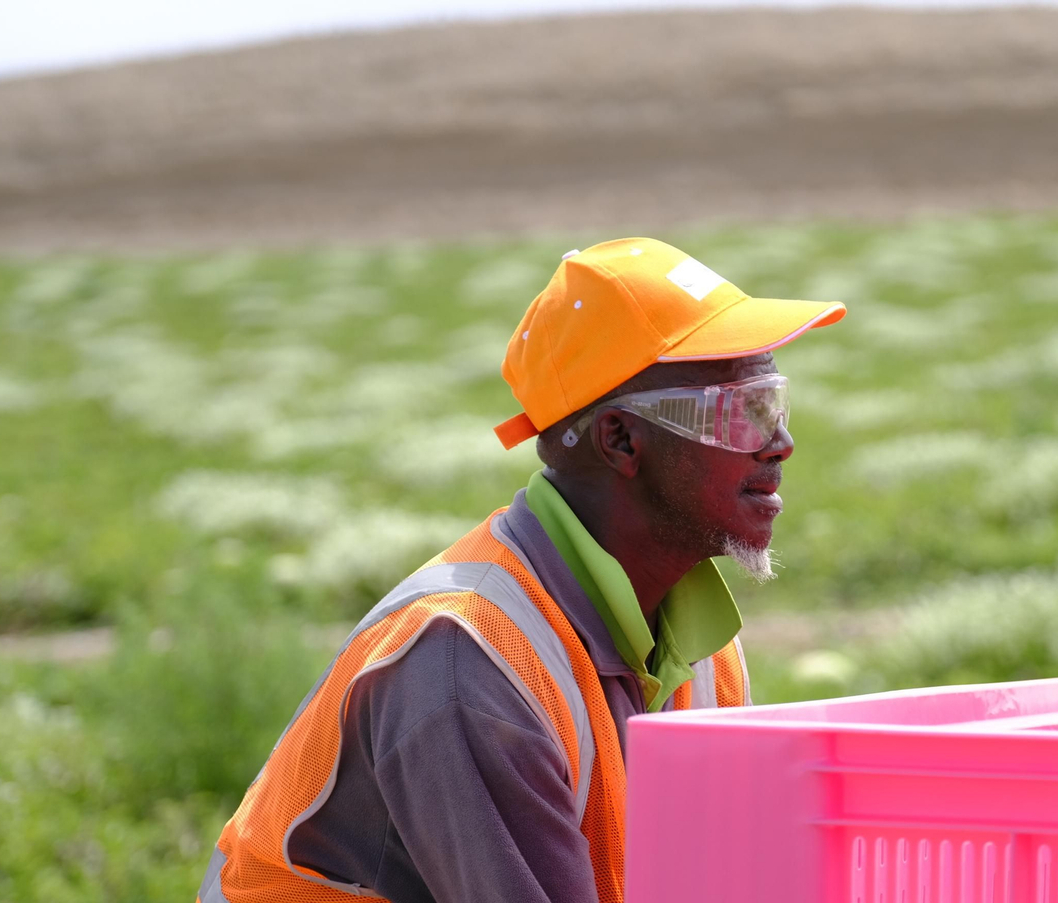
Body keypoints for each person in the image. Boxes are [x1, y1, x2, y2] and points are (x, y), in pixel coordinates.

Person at [196, 237, 845, 903]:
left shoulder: (702, 643)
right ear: (622, 440)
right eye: (745, 410)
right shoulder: (466, 662)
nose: (780, 443)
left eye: (776, 404)